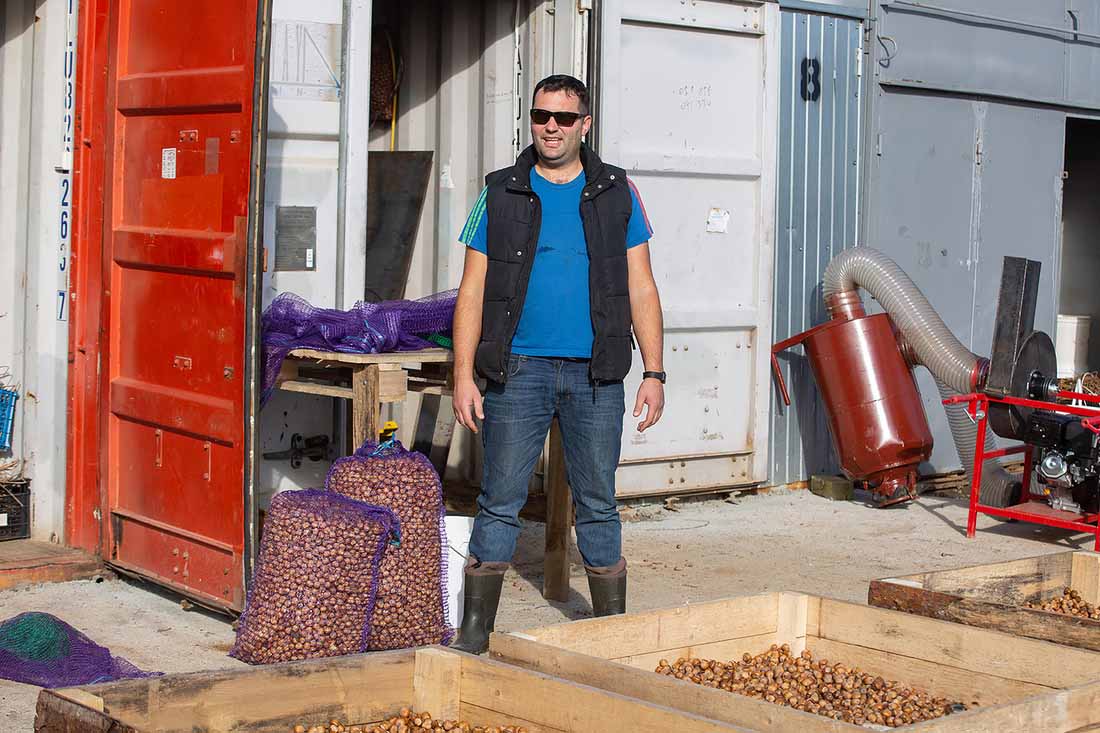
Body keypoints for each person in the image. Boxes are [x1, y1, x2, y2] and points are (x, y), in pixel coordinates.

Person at [449, 74, 665, 654]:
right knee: (500, 500)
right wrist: (463, 374)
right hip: (518, 371)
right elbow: (472, 289)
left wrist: (654, 372)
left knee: (597, 503)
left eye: (564, 118)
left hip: (596, 375)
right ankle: (475, 633)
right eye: (542, 115)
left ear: (584, 125)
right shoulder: (500, 191)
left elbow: (642, 286)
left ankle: (612, 632)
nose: (551, 127)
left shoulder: (618, 192)